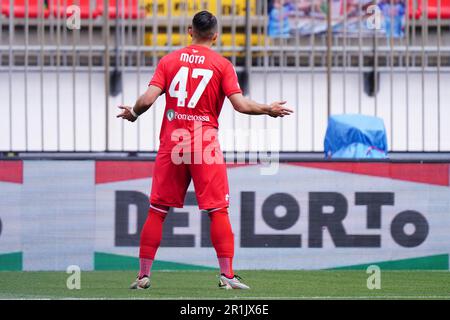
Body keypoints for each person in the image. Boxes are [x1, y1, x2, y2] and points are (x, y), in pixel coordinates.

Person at [117, 10, 293, 290]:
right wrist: (268, 109)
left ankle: (143, 276)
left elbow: (148, 99)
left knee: (157, 210)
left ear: (190, 31)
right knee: (218, 210)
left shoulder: (169, 61)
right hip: (204, 144)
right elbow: (241, 105)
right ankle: (227, 275)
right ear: (215, 35)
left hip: (172, 143)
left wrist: (134, 113)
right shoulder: (221, 65)